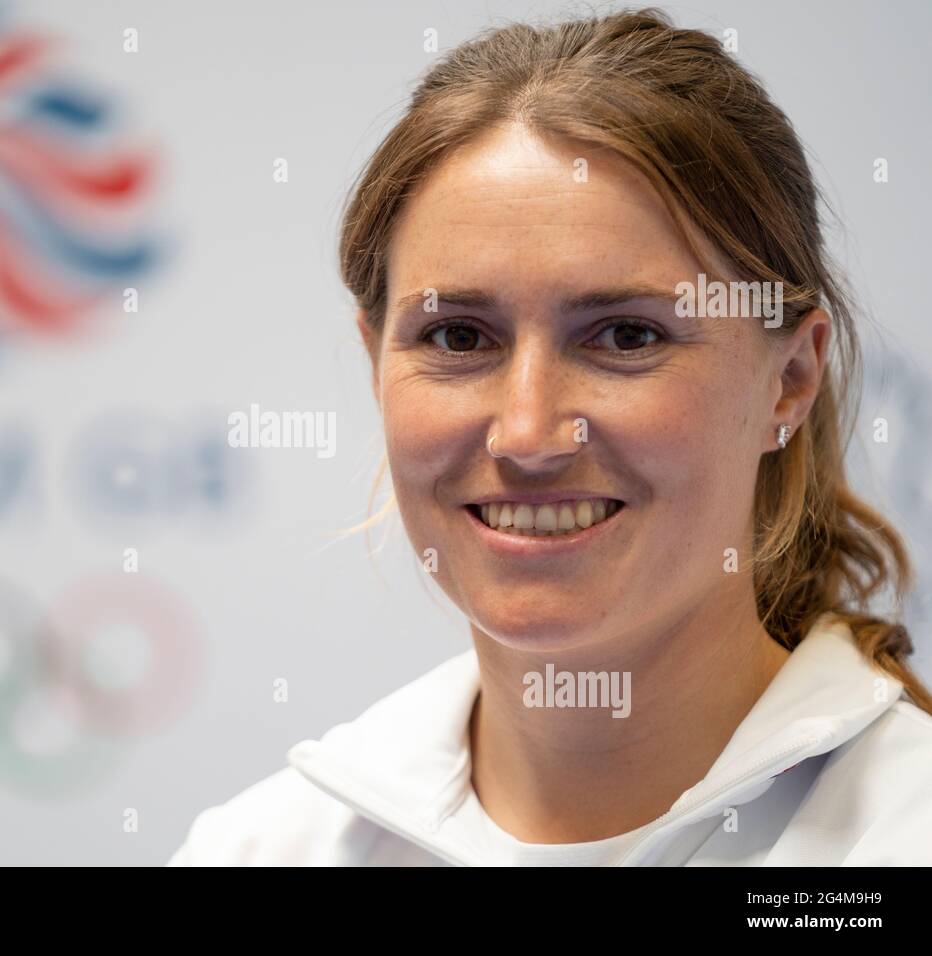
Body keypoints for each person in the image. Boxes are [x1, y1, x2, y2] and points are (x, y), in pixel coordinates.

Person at [168, 7, 932, 865]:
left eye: (626, 336)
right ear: (374, 362)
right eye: (459, 337)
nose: (529, 434)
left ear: (789, 381)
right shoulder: (264, 849)